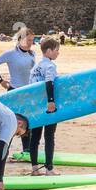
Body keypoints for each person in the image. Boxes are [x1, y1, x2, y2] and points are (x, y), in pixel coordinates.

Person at [0, 27, 36, 156]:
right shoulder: (11, 54)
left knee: (27, 122)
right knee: (11, 121)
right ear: (20, 39)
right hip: (14, 91)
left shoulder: (33, 54)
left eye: (32, 40)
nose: (31, 43)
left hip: (29, 91)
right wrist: (1, 80)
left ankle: (26, 150)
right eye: (28, 40)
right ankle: (4, 151)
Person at [26, 37, 61, 174]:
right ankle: (49, 169)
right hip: (48, 106)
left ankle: (35, 169)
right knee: (49, 136)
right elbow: (49, 83)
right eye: (57, 50)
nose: (58, 53)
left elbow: (30, 88)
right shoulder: (50, 66)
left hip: (35, 106)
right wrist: (51, 101)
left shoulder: (35, 67)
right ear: (49, 51)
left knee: (35, 137)